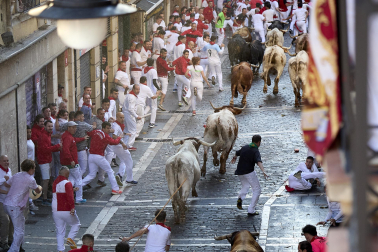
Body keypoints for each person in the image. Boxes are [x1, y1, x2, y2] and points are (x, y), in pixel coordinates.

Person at [3, 159, 42, 252]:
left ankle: (19, 247)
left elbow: (7, 184)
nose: (34, 170)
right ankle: (13, 250)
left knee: (20, 224)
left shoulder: (17, 175)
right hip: (15, 206)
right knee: (19, 230)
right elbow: (37, 190)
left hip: (7, 204)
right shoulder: (31, 179)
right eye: (34, 168)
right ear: (31, 169)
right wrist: (40, 188)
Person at [231, 135, 269, 216]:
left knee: (245, 185)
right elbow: (259, 162)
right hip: (249, 172)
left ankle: (240, 198)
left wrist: (234, 157)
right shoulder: (255, 151)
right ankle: (251, 210)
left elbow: (237, 153)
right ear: (258, 142)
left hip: (240, 172)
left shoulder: (245, 147)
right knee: (257, 190)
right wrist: (263, 171)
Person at [82, 122, 123, 195]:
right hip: (99, 156)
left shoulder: (95, 132)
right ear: (103, 128)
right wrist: (119, 137)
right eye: (107, 128)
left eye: (109, 128)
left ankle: (77, 186)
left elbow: (88, 132)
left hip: (91, 155)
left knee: (92, 175)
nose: (109, 130)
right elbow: (114, 142)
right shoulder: (105, 136)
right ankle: (115, 189)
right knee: (110, 171)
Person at [52, 167, 81, 252]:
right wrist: (72, 207)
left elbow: (60, 191)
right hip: (66, 209)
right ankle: (70, 238)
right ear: (66, 174)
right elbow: (70, 197)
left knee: (60, 231)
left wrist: (72, 189)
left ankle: (60, 249)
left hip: (55, 210)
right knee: (76, 224)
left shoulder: (55, 182)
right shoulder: (67, 183)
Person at [59, 111, 94, 177]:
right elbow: (92, 128)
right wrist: (93, 124)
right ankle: (78, 183)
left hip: (73, 151)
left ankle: (75, 183)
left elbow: (59, 128)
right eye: (82, 116)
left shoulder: (67, 125)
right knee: (82, 169)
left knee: (76, 170)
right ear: (79, 117)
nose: (83, 118)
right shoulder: (83, 124)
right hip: (80, 150)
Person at [60, 121, 89, 204]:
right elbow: (66, 149)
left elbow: (73, 141)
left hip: (67, 162)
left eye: (75, 127)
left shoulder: (67, 136)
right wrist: (71, 160)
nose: (75, 129)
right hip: (72, 163)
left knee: (71, 180)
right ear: (68, 128)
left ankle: (67, 196)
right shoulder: (68, 137)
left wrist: (82, 138)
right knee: (78, 179)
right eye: (73, 127)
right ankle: (79, 198)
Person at [105, 112, 137, 185]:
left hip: (117, 146)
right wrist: (122, 143)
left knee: (123, 161)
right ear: (117, 117)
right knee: (129, 161)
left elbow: (120, 134)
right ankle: (129, 179)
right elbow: (114, 136)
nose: (122, 119)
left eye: (123, 117)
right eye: (121, 117)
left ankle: (120, 175)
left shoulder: (118, 125)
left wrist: (125, 134)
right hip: (118, 146)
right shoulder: (116, 126)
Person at [37, 120, 62, 206]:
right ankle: (44, 199)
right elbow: (45, 149)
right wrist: (57, 146)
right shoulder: (44, 136)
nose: (51, 128)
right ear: (44, 126)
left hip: (47, 160)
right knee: (45, 180)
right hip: (44, 160)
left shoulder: (47, 135)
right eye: (49, 126)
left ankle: (41, 195)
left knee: (46, 179)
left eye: (52, 126)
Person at [123, 85, 142, 151]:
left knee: (126, 130)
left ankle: (125, 144)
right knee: (133, 130)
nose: (138, 91)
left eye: (139, 89)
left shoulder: (129, 95)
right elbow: (131, 109)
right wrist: (136, 116)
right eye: (136, 89)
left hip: (126, 114)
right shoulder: (132, 97)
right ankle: (129, 145)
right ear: (133, 89)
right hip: (129, 115)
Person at [0, 155, 13, 251]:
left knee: (12, 220)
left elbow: (10, 182)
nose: (6, 162)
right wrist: (5, 180)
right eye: (4, 161)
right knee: (5, 220)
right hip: (1, 201)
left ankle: (10, 240)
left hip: (10, 201)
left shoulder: (9, 170)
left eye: (7, 160)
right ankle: (3, 242)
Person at [143, 58, 160, 128]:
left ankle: (142, 116)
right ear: (153, 63)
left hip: (145, 90)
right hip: (152, 90)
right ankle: (152, 122)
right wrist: (159, 88)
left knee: (148, 106)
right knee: (154, 107)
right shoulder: (153, 71)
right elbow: (154, 82)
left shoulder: (143, 70)